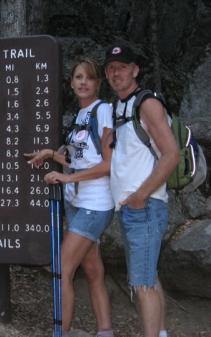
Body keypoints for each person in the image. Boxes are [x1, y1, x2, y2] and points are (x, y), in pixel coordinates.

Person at [25, 58, 114, 337]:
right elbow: (79, 158)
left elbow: (108, 165)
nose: (83, 82)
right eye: (78, 77)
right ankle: (105, 331)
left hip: (95, 204)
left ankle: (58, 334)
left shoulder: (105, 111)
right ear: (72, 82)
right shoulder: (80, 115)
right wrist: (52, 155)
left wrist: (66, 178)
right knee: (93, 271)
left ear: (98, 83)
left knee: (62, 269)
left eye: (89, 78)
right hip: (77, 203)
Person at [103, 44, 180, 337]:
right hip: (133, 208)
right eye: (111, 68)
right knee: (149, 277)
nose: (116, 73)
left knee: (142, 284)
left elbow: (170, 155)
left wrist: (140, 196)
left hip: (144, 207)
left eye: (122, 67)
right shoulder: (119, 106)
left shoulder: (146, 104)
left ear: (135, 70)